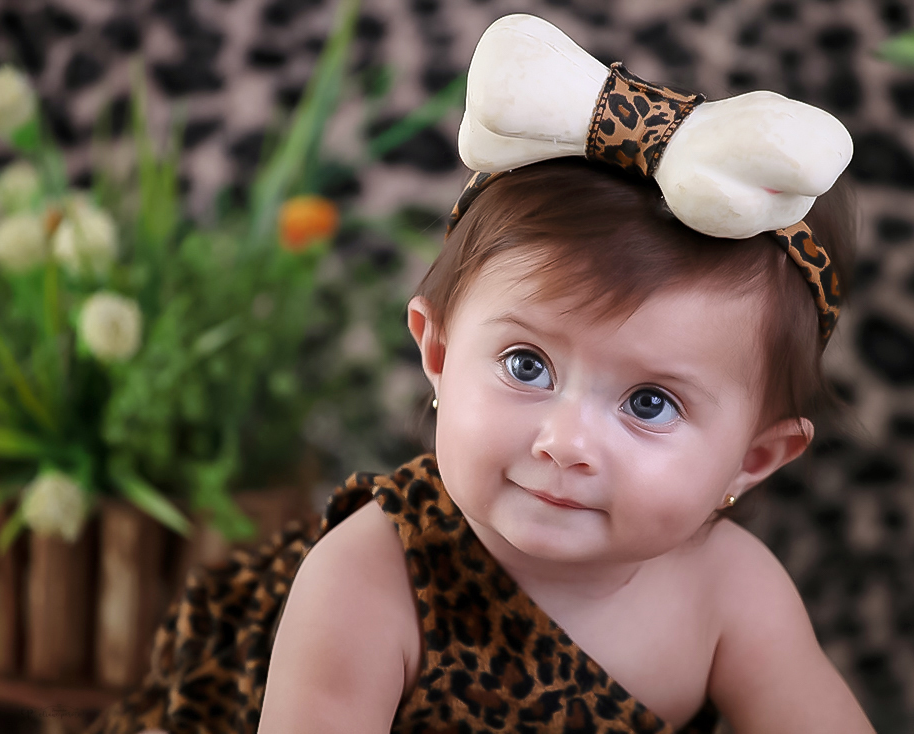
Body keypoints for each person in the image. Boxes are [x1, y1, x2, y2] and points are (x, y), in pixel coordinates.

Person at [97, 13, 874, 734]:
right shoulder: (369, 581)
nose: (564, 442)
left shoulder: (731, 592)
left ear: (753, 458)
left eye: (649, 403)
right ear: (437, 353)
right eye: (527, 365)